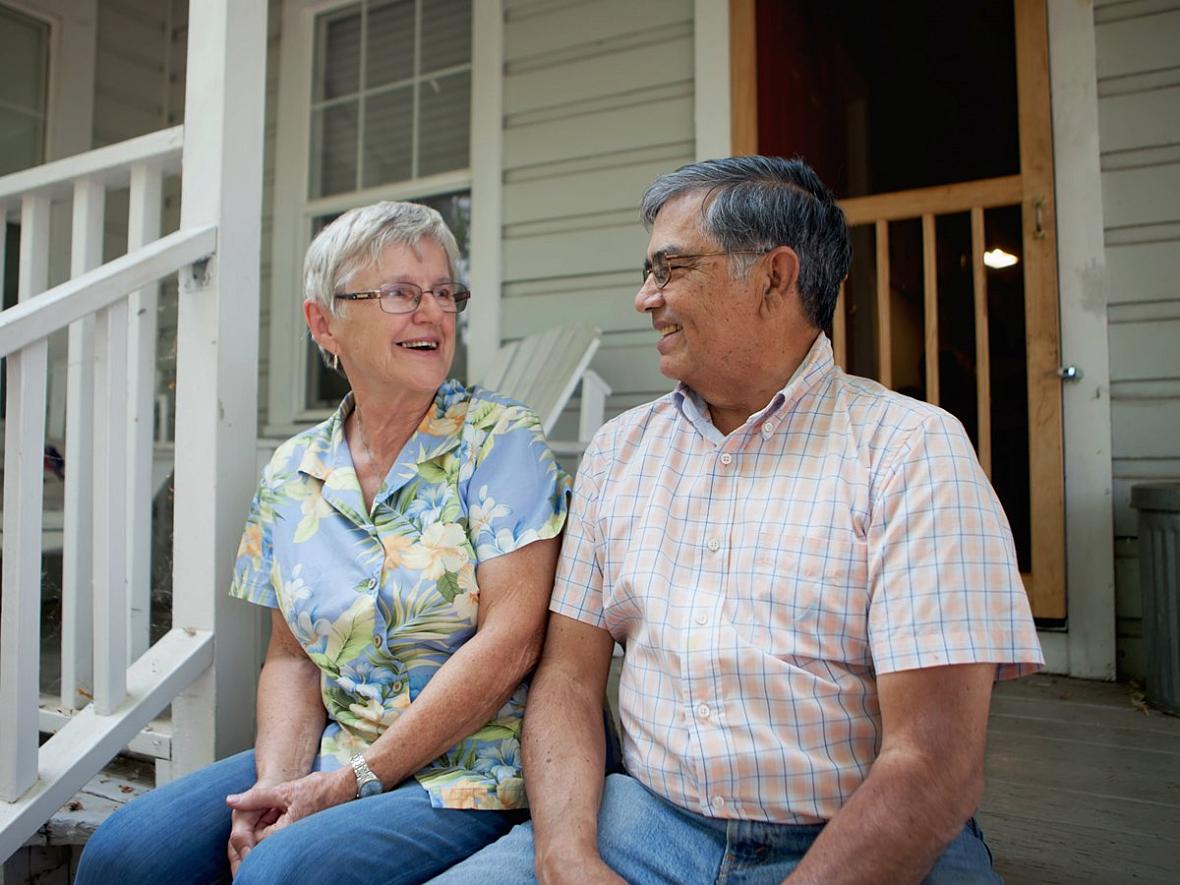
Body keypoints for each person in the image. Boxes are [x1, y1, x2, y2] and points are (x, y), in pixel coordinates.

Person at [434, 157, 1044, 884]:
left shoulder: (911, 451)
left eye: (670, 270)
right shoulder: (618, 454)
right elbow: (566, 679)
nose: (644, 297)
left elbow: (932, 764)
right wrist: (568, 856)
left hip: (859, 834)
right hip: (647, 819)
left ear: (774, 279)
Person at [76, 202, 571, 884]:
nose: (432, 311)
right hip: (334, 749)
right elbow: (291, 659)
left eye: (444, 292)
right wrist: (279, 787)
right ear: (323, 322)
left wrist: (352, 782)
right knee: (123, 854)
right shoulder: (292, 471)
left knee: (280, 873)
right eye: (401, 292)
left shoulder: (500, 440)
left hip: (470, 771)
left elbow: (511, 642)